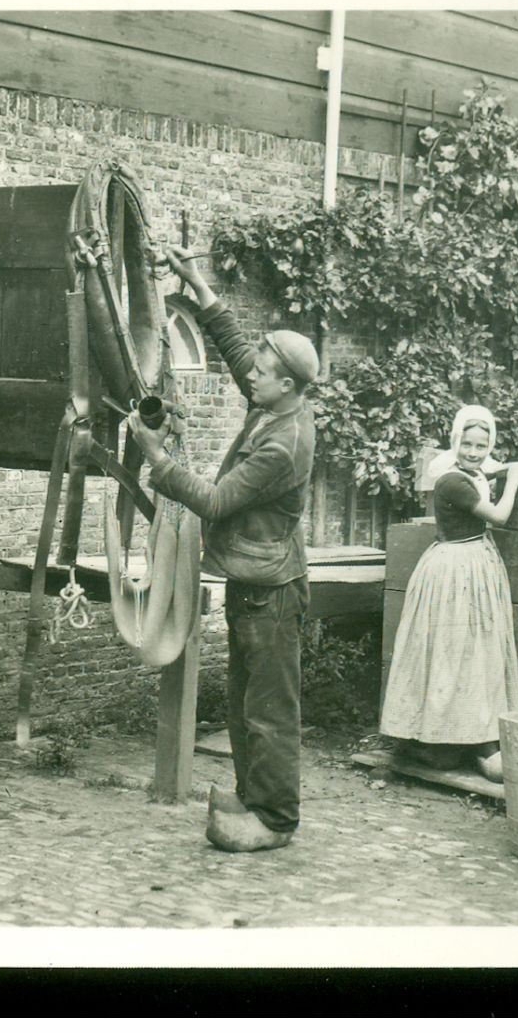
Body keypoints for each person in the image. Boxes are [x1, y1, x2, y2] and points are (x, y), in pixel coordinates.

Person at [127, 244, 317, 853]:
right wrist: (196, 283)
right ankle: (254, 799)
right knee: (242, 705)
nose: (248, 377)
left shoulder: (284, 444)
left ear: (286, 385)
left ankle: (276, 820)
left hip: (272, 593)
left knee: (268, 711)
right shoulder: (277, 405)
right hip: (254, 584)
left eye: (261, 374)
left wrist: (154, 454)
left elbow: (212, 501)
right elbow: (241, 351)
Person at [380, 405, 518, 782]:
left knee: (476, 651)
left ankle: (473, 734)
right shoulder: (452, 481)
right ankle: (440, 735)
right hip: (454, 570)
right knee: (452, 649)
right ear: (456, 442)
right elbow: (497, 516)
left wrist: (505, 466)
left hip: (475, 563)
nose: (474, 452)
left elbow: (487, 469)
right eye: (467, 444)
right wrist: (514, 479)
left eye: (482, 445)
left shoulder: (473, 471)